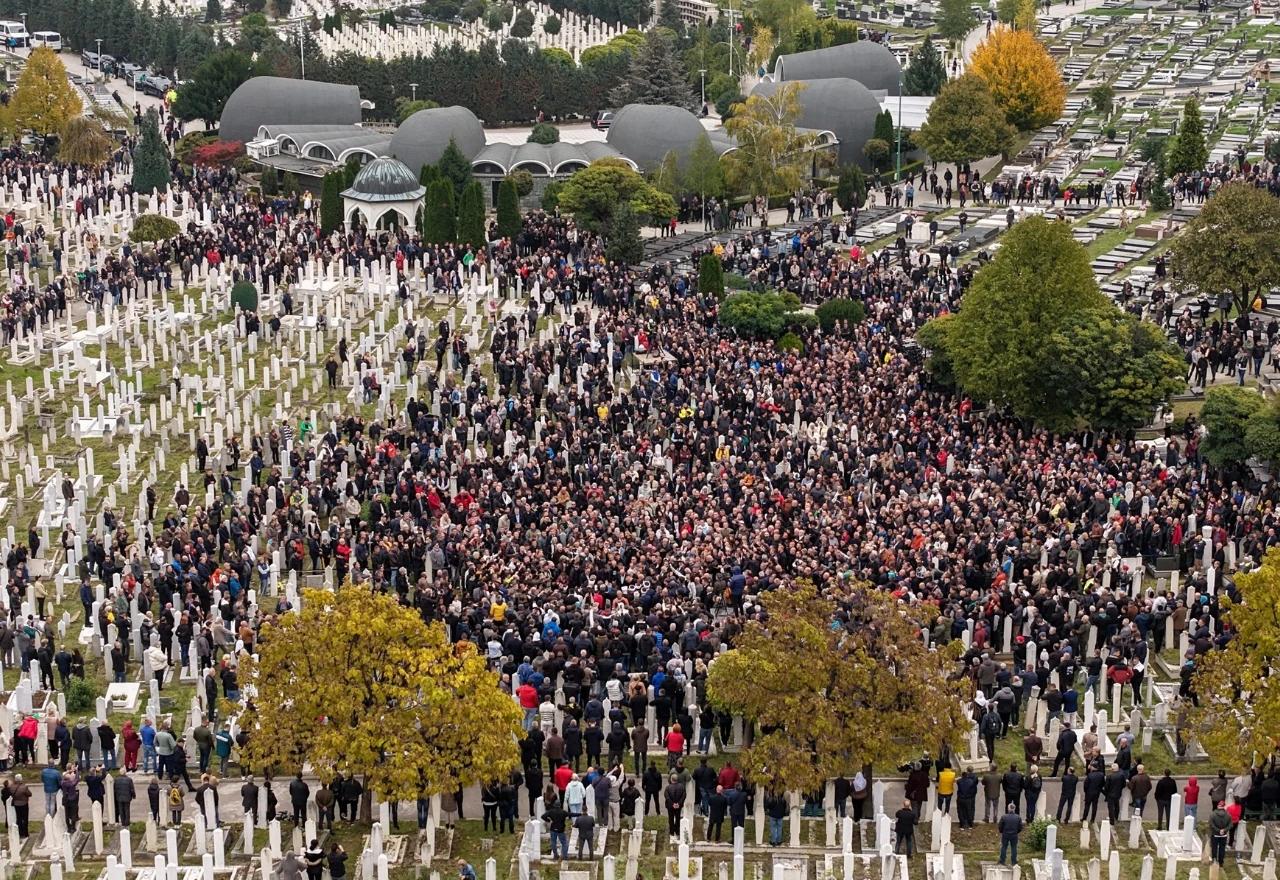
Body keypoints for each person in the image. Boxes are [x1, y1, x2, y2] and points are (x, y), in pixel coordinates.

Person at [665, 774, 687, 840]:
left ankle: (671, 832)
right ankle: (677, 831)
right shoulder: (682, 787)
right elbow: (683, 796)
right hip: (678, 806)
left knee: (671, 818)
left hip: (670, 806)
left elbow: (667, 797)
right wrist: (678, 804)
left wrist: (672, 804)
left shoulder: (668, 787)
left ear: (671, 779)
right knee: (677, 818)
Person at [1209, 801, 1232, 866]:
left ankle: (1214, 861)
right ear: (1224, 807)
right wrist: (1224, 830)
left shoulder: (1213, 814)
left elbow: (1211, 824)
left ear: (1218, 806)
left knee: (1214, 848)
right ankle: (1221, 863)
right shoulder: (1228, 815)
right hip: (1224, 835)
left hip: (1215, 834)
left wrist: (1218, 830)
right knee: (1222, 849)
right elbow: (1230, 825)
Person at [10, 774, 30, 838]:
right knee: (25, 818)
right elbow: (29, 794)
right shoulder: (24, 787)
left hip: (16, 804)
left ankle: (20, 833)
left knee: (18, 818)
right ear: (21, 779)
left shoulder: (11, 787)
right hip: (24, 804)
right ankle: (25, 833)